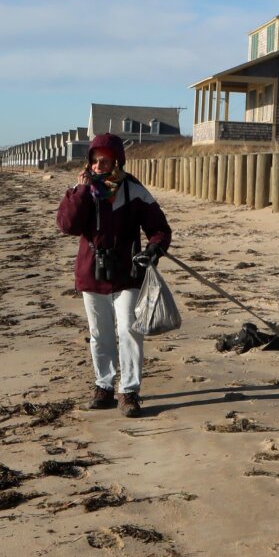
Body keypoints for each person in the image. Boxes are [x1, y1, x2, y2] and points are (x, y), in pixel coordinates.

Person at [55, 132, 172, 418]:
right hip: (91, 273)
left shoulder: (134, 190)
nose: (98, 166)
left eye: (105, 160)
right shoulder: (81, 190)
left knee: (129, 328)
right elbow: (67, 225)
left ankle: (129, 391)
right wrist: (82, 191)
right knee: (99, 333)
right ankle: (103, 386)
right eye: (95, 160)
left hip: (128, 273)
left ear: (117, 161)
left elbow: (159, 228)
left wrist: (154, 250)